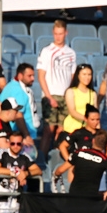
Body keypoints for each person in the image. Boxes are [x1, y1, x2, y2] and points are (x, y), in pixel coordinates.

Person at [36, 19, 77, 155]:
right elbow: (41, 76)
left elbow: (72, 76)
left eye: (60, 34)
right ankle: (42, 157)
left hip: (65, 96)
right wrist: (48, 96)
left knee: (62, 129)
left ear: (66, 33)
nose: (58, 37)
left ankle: (55, 156)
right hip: (51, 94)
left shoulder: (71, 53)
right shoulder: (47, 51)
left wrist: (69, 95)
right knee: (49, 129)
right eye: (56, 34)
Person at [55, 105, 101, 189]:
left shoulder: (101, 134)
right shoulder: (79, 133)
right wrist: (70, 161)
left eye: (97, 119)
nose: (95, 122)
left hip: (96, 169)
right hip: (78, 168)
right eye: (92, 119)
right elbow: (62, 146)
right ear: (86, 119)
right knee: (74, 192)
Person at [67, 130, 107, 199]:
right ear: (106, 144)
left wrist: (56, 175)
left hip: (74, 196)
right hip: (93, 198)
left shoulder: (79, 153)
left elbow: (61, 170)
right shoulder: (104, 159)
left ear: (93, 141)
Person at [0, 63, 40, 145]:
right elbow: (18, 115)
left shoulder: (9, 86)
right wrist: (26, 135)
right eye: (29, 76)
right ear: (20, 76)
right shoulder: (19, 91)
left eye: (33, 75)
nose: (33, 78)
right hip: (23, 137)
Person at [63, 63, 98, 134]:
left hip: (87, 129)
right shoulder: (71, 91)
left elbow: (95, 113)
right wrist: (87, 119)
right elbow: (72, 111)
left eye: (89, 74)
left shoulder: (93, 93)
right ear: (78, 75)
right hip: (72, 128)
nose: (87, 77)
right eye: (84, 74)